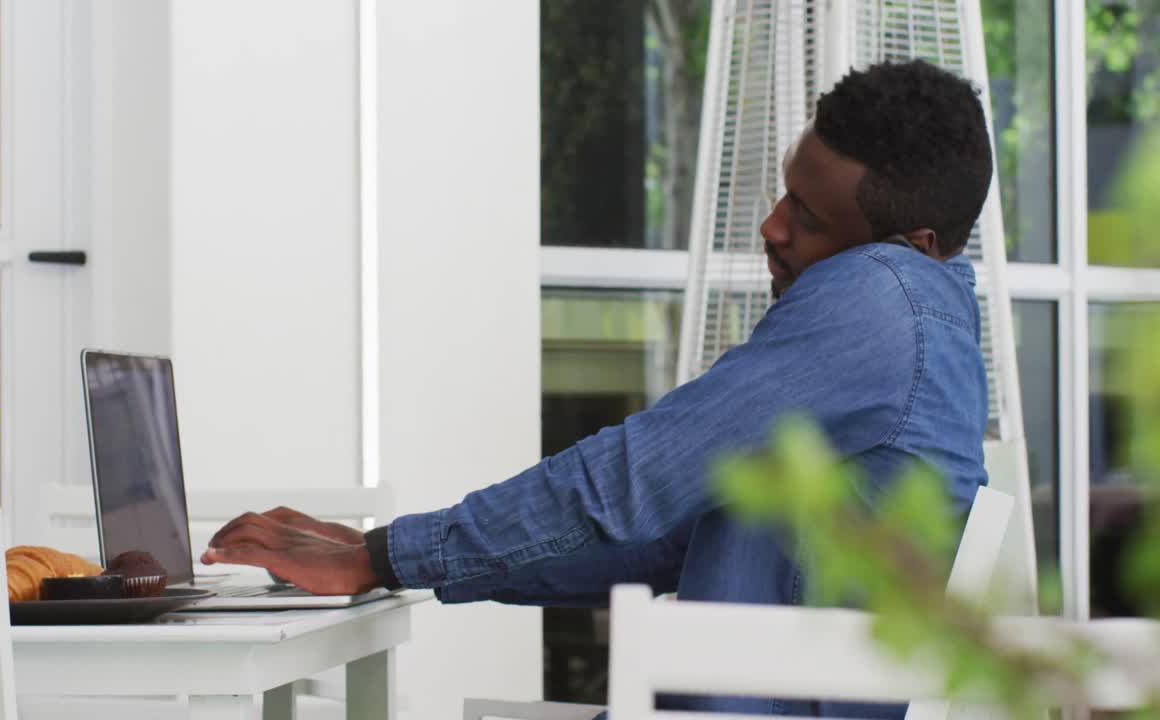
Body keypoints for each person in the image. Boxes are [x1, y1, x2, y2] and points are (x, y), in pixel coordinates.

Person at [204, 59, 994, 715]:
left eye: (809, 217)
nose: (773, 227)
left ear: (913, 242)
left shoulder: (881, 295)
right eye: (787, 194)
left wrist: (388, 559)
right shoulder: (929, 323)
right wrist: (393, 554)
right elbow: (661, 539)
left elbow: (632, 479)